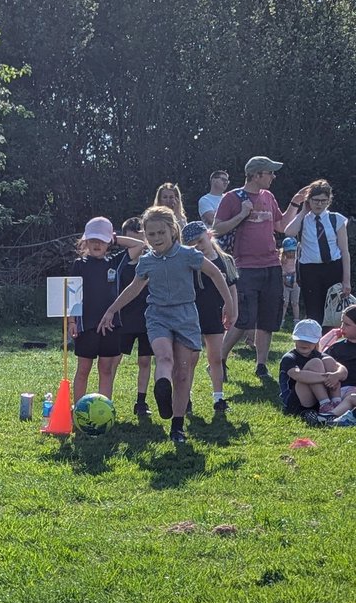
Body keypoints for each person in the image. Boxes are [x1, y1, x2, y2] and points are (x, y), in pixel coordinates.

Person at [98, 206, 234, 445]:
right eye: (151, 235)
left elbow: (215, 274)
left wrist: (229, 304)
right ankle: (161, 389)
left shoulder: (187, 255)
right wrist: (111, 309)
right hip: (157, 315)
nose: (156, 238)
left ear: (173, 231)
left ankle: (177, 426)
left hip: (185, 316)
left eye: (161, 233)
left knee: (182, 373)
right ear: (145, 236)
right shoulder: (147, 261)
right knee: (163, 357)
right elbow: (134, 288)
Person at [212, 156, 311, 378]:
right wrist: (241, 214)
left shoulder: (269, 196)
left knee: (267, 318)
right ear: (257, 175)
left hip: (272, 265)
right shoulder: (232, 198)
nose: (273, 177)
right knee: (244, 318)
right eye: (270, 173)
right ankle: (219, 361)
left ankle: (261, 365)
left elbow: (282, 225)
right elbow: (216, 230)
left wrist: (296, 203)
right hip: (245, 266)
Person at [67, 216, 145, 404]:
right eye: (93, 239)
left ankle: (104, 407)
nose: (97, 244)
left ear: (109, 242)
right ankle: (78, 408)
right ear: (86, 241)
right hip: (86, 326)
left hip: (111, 325)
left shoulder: (115, 262)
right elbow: (72, 294)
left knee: (106, 368)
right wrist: (71, 321)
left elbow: (140, 245)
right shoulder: (79, 264)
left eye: (101, 240)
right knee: (84, 368)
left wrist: (115, 238)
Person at [181, 222, 238, 415]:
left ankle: (218, 397)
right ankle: (185, 398)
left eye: (200, 241)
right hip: (192, 314)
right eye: (192, 244)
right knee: (190, 358)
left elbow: (232, 287)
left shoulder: (225, 259)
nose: (198, 246)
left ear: (209, 235)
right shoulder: (188, 262)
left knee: (215, 357)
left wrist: (233, 310)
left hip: (215, 313)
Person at [283, 180, 351, 325]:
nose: (319, 204)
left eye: (323, 201)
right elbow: (289, 232)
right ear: (309, 200)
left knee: (333, 311)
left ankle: (331, 345)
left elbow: (345, 251)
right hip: (310, 270)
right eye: (315, 200)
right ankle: (315, 344)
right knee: (314, 313)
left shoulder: (336, 219)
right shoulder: (304, 219)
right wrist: (302, 212)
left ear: (328, 201)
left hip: (333, 267)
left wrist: (346, 280)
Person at [114, 217, 153, 417]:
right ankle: (107, 400)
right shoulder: (122, 260)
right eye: (132, 237)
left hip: (147, 319)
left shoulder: (152, 259)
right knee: (114, 361)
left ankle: (141, 402)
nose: (139, 242)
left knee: (145, 361)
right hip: (124, 319)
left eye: (141, 235)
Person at [278, 319, 354, 417]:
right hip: (295, 401)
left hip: (314, 400)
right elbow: (297, 375)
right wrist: (326, 377)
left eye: (309, 340)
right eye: (301, 339)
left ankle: (335, 402)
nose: (304, 343)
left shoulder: (318, 354)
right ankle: (325, 403)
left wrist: (335, 375)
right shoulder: (289, 357)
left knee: (329, 361)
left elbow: (343, 371)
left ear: (317, 341)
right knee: (316, 363)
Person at [319, 303, 356, 393]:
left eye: (347, 324)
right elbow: (320, 359)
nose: (342, 327)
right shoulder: (336, 347)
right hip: (337, 390)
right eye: (342, 323)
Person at [280, 236, 300, 326]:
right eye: (289, 251)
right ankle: (281, 320)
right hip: (285, 283)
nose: (291, 253)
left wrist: (295, 276)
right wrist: (284, 274)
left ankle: (296, 321)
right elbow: (280, 270)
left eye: (293, 251)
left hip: (295, 283)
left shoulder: (297, 260)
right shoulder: (283, 260)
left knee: (295, 303)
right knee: (285, 302)